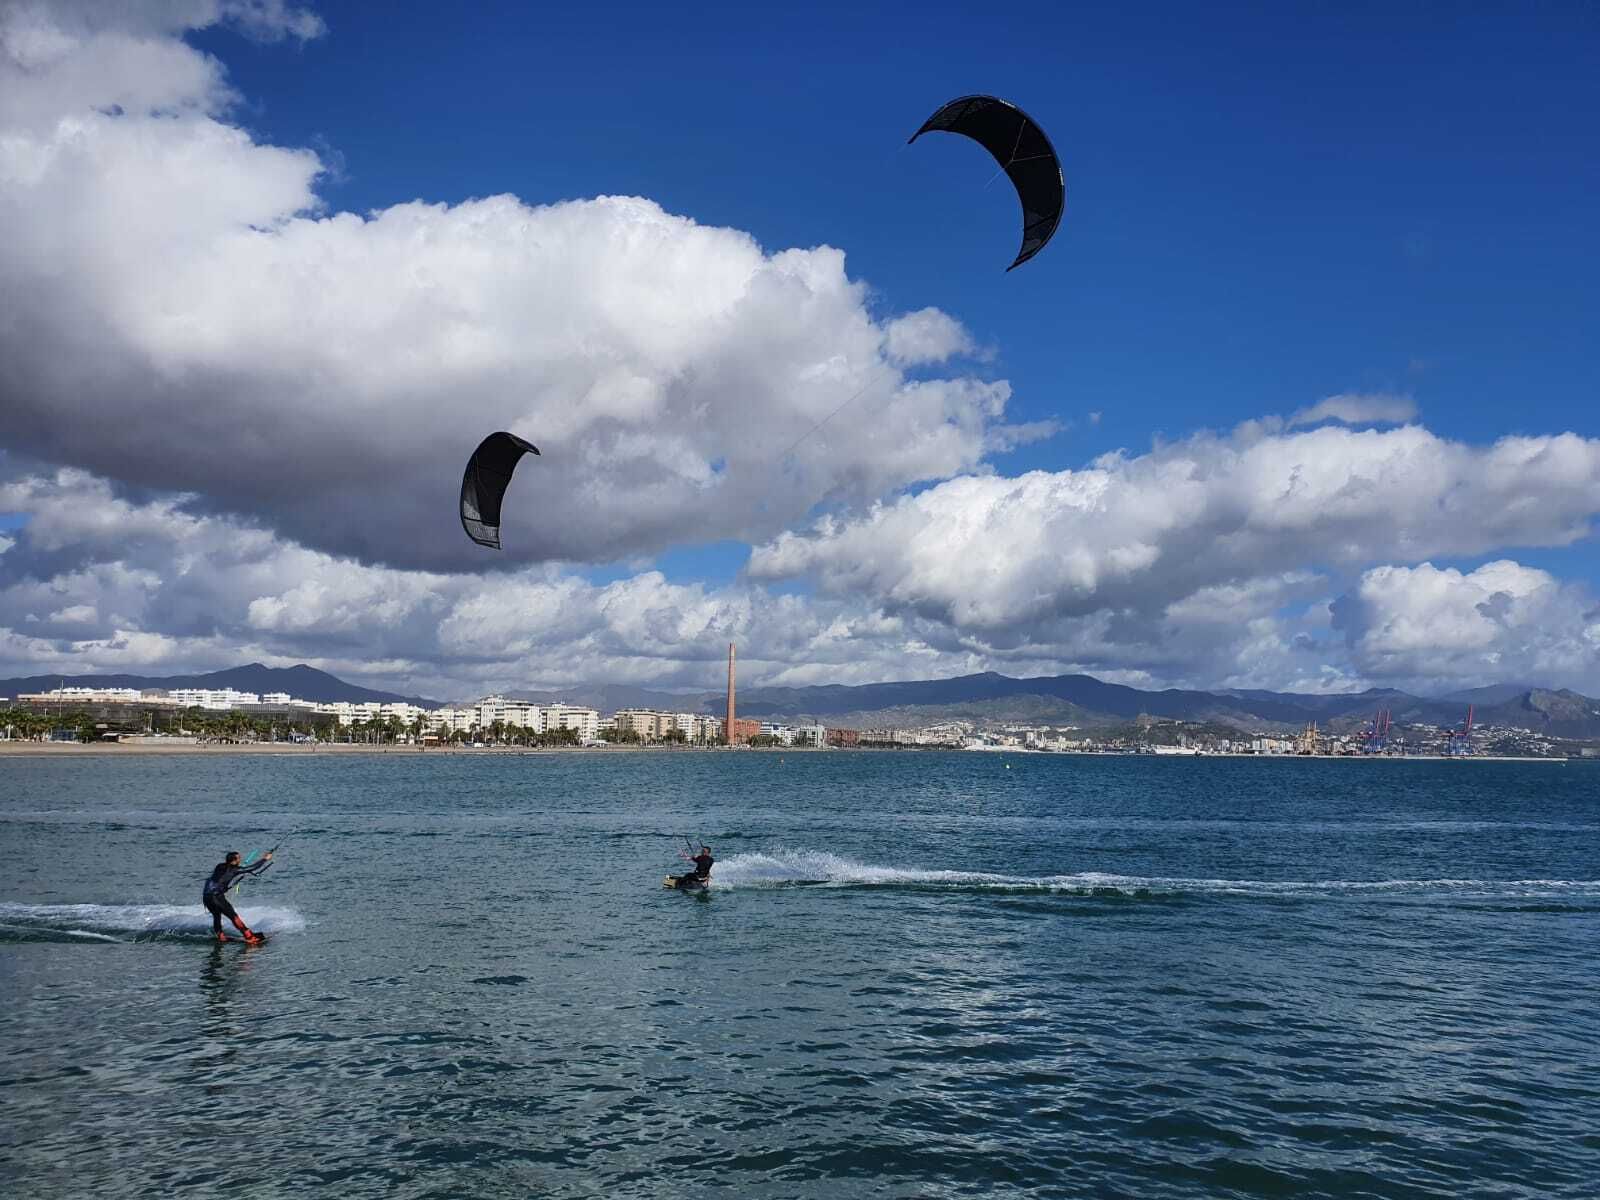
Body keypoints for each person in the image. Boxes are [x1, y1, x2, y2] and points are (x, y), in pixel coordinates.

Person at [202, 850, 273, 943]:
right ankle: (249, 936)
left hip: (206, 897)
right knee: (234, 916)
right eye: (239, 858)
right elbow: (252, 868)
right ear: (234, 860)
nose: (240, 859)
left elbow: (221, 878)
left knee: (217, 915)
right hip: (216, 897)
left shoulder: (219, 866)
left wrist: (225, 887)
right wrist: (265, 859)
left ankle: (221, 936)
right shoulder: (234, 870)